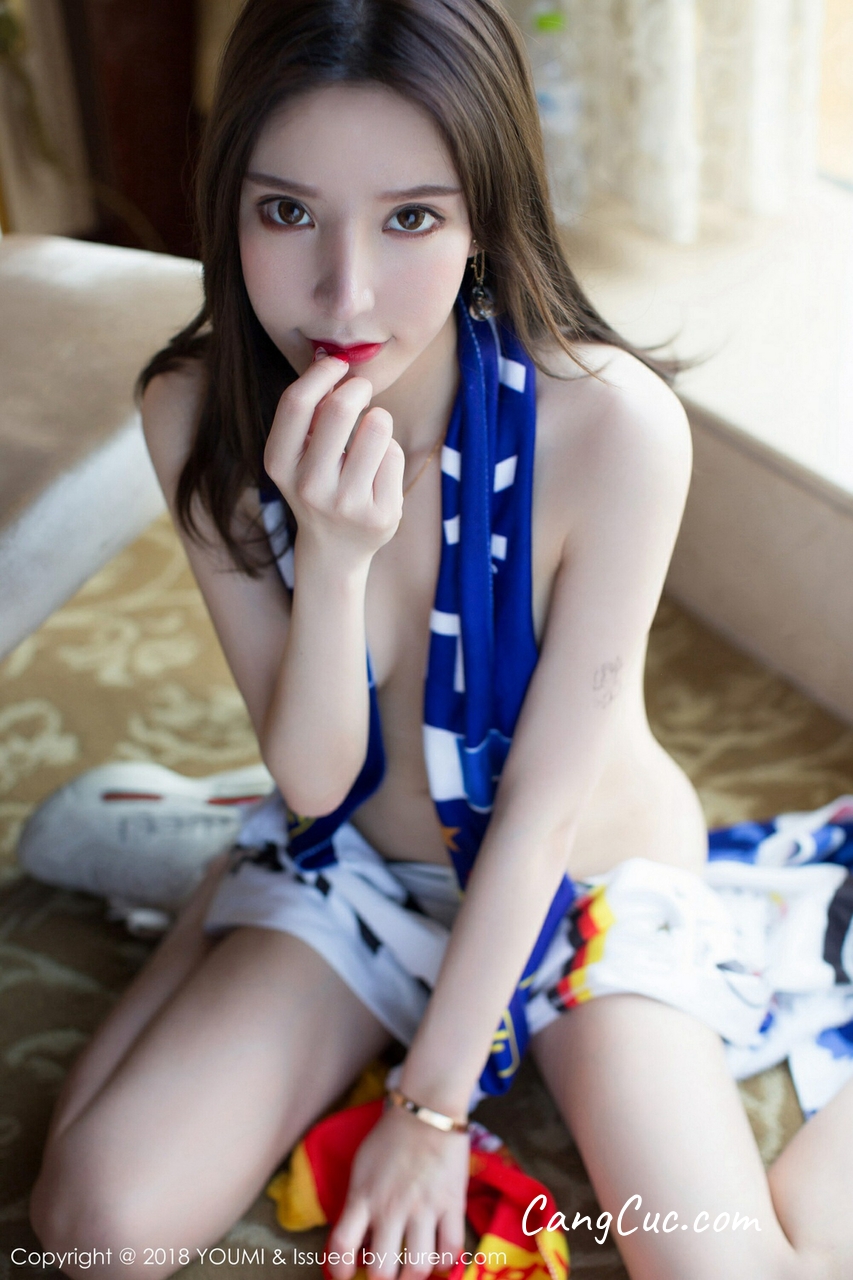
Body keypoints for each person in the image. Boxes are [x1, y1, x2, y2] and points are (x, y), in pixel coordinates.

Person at [28, 1, 853, 1277]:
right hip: (354, 856)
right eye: (286, 211)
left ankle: (204, 854)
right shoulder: (196, 409)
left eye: (410, 218)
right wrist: (333, 554)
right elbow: (318, 783)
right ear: (227, 203)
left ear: (484, 218)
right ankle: (214, 868)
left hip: (581, 887)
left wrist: (429, 1108)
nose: (344, 292)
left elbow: (538, 814)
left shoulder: (612, 431)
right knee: (91, 1230)